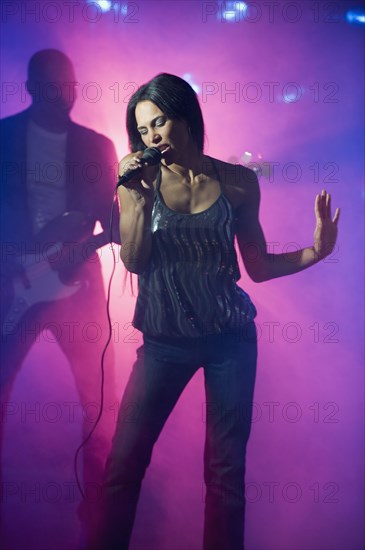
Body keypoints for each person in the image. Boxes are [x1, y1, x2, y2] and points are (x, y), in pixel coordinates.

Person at [96, 73, 340, 550]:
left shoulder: (238, 182)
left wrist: (316, 252)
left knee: (226, 475)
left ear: (185, 118)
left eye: (160, 122)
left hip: (229, 339)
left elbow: (259, 267)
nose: (152, 138)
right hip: (164, 343)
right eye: (143, 130)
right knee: (123, 465)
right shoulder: (135, 185)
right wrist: (140, 203)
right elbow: (134, 261)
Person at [0, 49, 120, 549]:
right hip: (12, 285)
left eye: (70, 82)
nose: (65, 91)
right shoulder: (3, 137)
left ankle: (98, 514)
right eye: (53, 83)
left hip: (79, 286)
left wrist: (136, 209)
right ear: (30, 86)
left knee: (99, 403)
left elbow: (111, 221)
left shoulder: (98, 147)